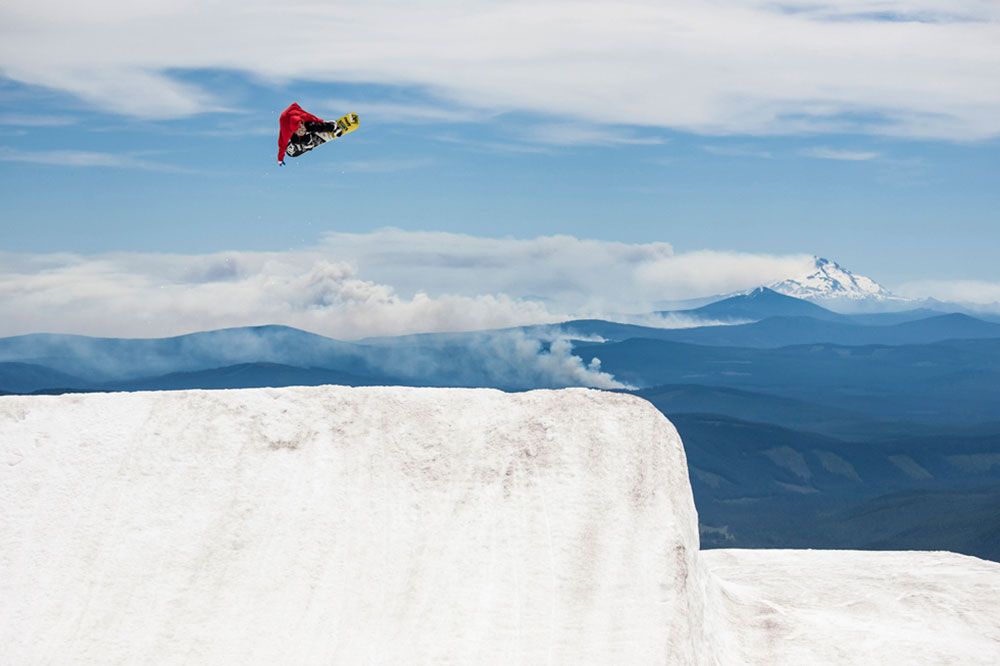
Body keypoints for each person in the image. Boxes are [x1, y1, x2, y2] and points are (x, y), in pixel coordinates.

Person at [277, 103, 344, 165]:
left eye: (302, 127)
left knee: (311, 126)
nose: (302, 130)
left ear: (302, 122)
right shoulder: (285, 132)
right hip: (286, 119)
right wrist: (280, 159)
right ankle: (307, 141)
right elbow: (282, 145)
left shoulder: (304, 116)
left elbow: (315, 119)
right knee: (295, 140)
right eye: (299, 131)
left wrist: (325, 124)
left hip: (295, 110)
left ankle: (332, 127)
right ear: (294, 132)